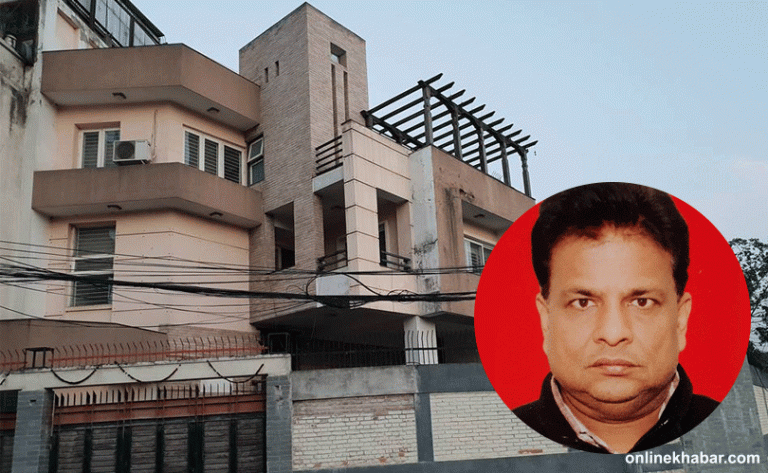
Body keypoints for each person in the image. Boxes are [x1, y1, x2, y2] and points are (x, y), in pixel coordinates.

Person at [513, 182, 719, 454]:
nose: (613, 333)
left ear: (680, 319)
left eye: (641, 302)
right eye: (583, 302)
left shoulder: (724, 428)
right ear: (546, 319)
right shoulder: (507, 437)